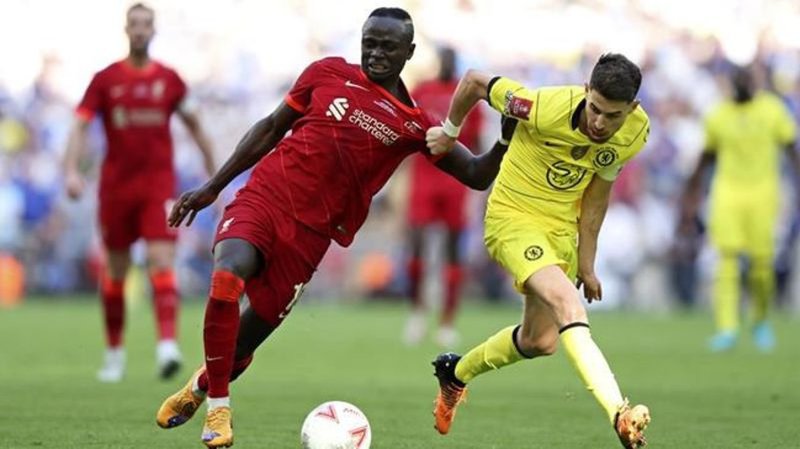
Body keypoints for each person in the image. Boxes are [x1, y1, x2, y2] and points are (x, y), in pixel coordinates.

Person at [154, 8, 516, 448]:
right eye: (369, 43)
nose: (376, 53)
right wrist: (213, 187)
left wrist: (503, 140)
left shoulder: (414, 123)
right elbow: (271, 127)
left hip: (312, 236)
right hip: (265, 197)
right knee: (228, 274)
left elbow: (475, 174)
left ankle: (199, 387)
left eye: (388, 46)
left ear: (409, 52)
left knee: (244, 342)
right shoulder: (325, 73)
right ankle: (218, 410)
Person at [426, 53, 652, 448]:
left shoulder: (634, 133)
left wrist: (587, 265)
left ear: (631, 109)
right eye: (595, 109)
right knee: (569, 306)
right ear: (586, 91)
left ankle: (455, 373)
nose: (600, 123)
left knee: (539, 341)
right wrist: (449, 132)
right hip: (513, 219)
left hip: (560, 230)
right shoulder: (539, 106)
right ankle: (619, 413)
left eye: (612, 116)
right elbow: (475, 82)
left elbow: (597, 198)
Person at [63, 3, 216, 383]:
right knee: (116, 270)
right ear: (126, 29)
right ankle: (114, 354)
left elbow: (196, 125)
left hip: (157, 187)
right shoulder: (105, 80)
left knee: (161, 260)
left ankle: (167, 347)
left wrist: (214, 175)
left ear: (154, 30)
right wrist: (71, 171)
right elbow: (79, 126)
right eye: (134, 24)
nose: (140, 30)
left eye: (146, 24)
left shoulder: (170, 80)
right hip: (116, 189)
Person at [680, 66, 799, 352]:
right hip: (728, 193)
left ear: (756, 83)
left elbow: (791, 150)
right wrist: (691, 195)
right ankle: (727, 327)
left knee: (762, 263)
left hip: (764, 193)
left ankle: (760, 320)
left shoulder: (772, 110)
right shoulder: (718, 114)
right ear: (732, 84)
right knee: (727, 260)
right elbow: (706, 157)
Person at [403, 46, 485, 348]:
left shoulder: (467, 96)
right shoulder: (422, 91)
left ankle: (447, 322)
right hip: (424, 177)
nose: (448, 64)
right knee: (416, 246)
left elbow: (476, 143)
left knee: (453, 249)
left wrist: (477, 188)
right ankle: (417, 314)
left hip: (454, 180)